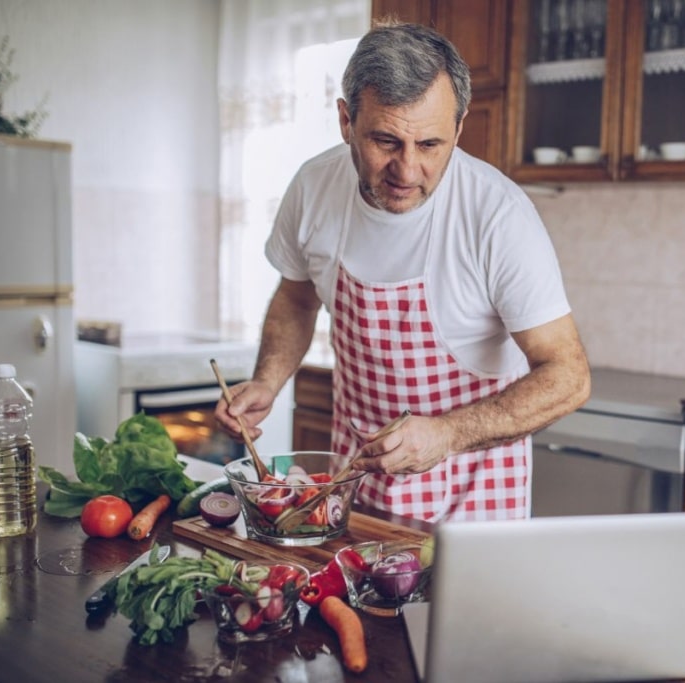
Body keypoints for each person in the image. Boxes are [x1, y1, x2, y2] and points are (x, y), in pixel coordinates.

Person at [215, 20, 590, 523]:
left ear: (458, 128)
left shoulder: (498, 215)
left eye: (431, 145)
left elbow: (568, 376)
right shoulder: (313, 188)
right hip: (356, 493)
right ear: (347, 120)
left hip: (473, 504)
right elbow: (298, 297)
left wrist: (447, 433)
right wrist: (268, 379)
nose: (407, 171)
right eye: (386, 141)